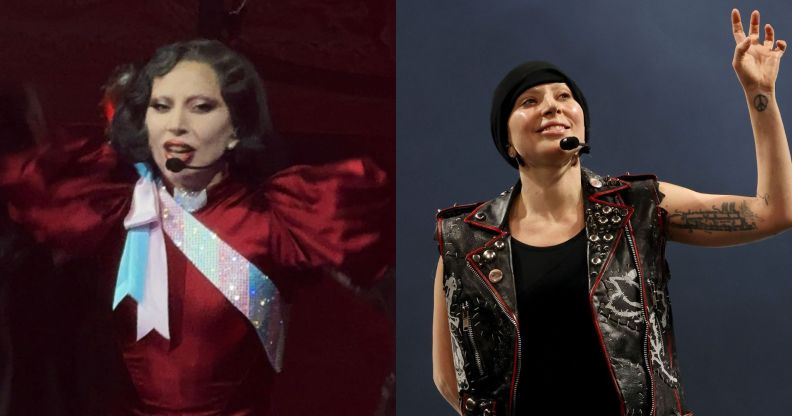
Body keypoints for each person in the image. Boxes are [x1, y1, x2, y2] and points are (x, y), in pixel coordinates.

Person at [0, 39, 391, 415]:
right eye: (161, 107)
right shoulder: (114, 210)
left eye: (200, 107)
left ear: (237, 127)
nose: (177, 126)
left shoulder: (277, 220)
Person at [432, 9, 790, 415]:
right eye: (529, 101)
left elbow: (775, 210)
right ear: (508, 143)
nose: (552, 106)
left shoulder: (639, 206)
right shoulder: (467, 240)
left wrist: (760, 96)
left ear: (582, 128)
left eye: (564, 96)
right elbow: (449, 379)